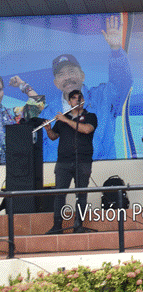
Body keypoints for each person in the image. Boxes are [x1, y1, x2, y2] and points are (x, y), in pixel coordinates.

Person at [40, 15, 133, 162]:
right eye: (61, 74)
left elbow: (122, 82)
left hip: (101, 171)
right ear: (56, 83)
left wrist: (116, 50)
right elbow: (43, 152)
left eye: (71, 71)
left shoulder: (103, 98)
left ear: (82, 76)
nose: (67, 77)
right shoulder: (47, 114)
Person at [44, 90, 98, 234]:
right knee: (59, 194)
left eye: (79, 98)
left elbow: (86, 130)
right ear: (69, 102)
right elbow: (54, 136)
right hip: (63, 162)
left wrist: (66, 120)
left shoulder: (90, 116)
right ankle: (57, 226)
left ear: (83, 100)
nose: (77, 100)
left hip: (83, 161)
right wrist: (48, 130)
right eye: (73, 98)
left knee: (81, 194)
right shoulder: (63, 118)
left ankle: (78, 225)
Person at [0, 76, 43, 165]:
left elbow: (37, 105)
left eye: (0, 90)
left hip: (9, 169)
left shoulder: (10, 114)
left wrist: (22, 84)